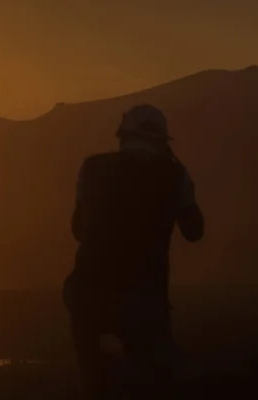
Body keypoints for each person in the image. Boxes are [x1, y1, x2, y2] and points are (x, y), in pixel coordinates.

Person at [64, 104, 204, 399]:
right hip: (144, 300)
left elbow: (78, 231)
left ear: (123, 137)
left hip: (85, 295)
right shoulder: (174, 174)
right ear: (161, 141)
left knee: (92, 381)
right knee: (157, 378)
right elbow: (194, 232)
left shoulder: (91, 169)